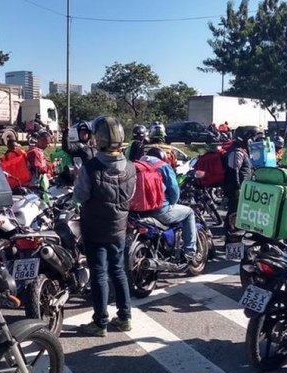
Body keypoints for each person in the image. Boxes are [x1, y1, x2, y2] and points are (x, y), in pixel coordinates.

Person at [74, 116, 136, 337]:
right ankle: (125, 318)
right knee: (118, 271)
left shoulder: (90, 168)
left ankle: (100, 323)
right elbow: (131, 195)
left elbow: (80, 196)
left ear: (98, 138)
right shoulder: (131, 167)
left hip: (94, 229)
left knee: (99, 274)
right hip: (119, 228)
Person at [138, 147, 199, 266]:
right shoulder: (163, 166)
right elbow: (174, 191)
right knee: (189, 213)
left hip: (136, 211)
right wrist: (171, 203)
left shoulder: (135, 165)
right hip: (159, 210)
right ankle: (190, 252)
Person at [224, 127, 255, 218]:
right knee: (234, 210)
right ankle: (229, 230)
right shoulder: (236, 152)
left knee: (238, 210)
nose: (250, 142)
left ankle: (233, 228)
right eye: (249, 139)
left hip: (240, 186)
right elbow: (233, 170)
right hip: (235, 187)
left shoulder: (240, 150)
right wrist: (237, 187)